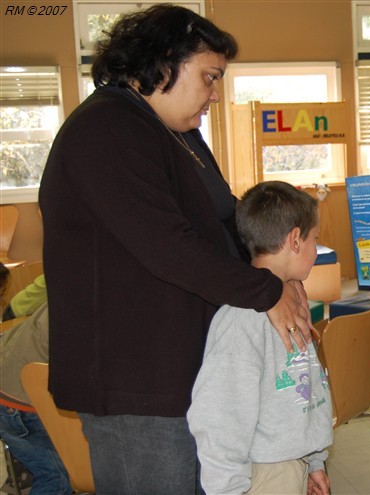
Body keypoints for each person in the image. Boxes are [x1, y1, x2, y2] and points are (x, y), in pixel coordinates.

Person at [38, 5, 312, 493]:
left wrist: (282, 266)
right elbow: (168, 246)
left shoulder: (175, 132)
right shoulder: (107, 128)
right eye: (209, 77)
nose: (214, 94)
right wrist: (266, 290)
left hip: (184, 367)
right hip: (135, 381)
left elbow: (226, 218)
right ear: (163, 61)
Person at [188, 181, 332, 495]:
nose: (315, 249)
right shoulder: (240, 321)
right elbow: (219, 417)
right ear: (295, 239)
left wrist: (314, 460)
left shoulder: (294, 304)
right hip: (262, 473)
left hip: (295, 462)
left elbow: (304, 394)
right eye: (315, 240)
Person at [0, 303, 72, 495]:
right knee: (59, 476)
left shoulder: (67, 294)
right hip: (21, 404)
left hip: (7, 394)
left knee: (52, 472)